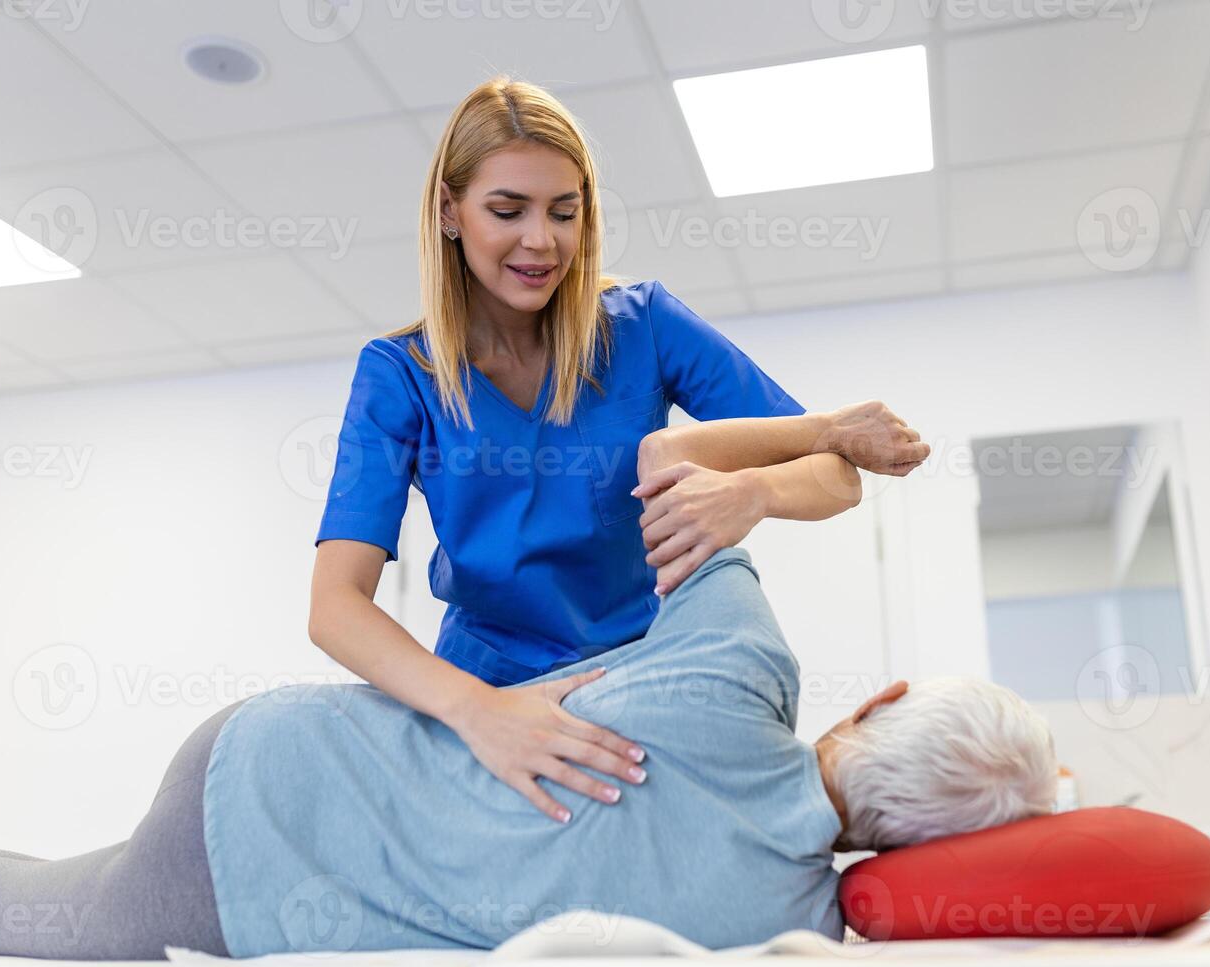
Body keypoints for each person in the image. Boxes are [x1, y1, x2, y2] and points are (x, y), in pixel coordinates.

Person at [308, 72, 930, 828]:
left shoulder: (644, 327)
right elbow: (336, 605)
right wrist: (477, 711)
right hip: (492, 692)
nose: (541, 241)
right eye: (508, 210)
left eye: (564, 213)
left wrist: (753, 494)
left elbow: (836, 477)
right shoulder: (401, 374)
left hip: (643, 677)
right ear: (449, 210)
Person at [0, 547, 1055, 960]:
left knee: (28, 887)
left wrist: (775, 473)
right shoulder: (791, 927)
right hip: (262, 847)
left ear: (887, 698)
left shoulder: (742, 667)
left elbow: (664, 480)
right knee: (17, 905)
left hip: (277, 773)